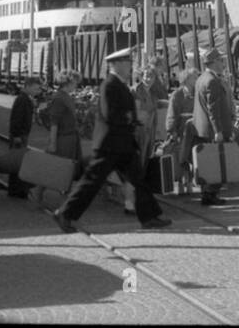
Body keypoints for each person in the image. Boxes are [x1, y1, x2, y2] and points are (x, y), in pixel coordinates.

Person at [52, 48, 171, 233]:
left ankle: (150, 216)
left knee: (138, 179)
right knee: (91, 182)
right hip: (110, 145)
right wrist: (133, 117)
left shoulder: (120, 84)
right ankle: (65, 214)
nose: (130, 66)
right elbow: (110, 114)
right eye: (127, 63)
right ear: (117, 65)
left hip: (122, 144)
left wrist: (133, 119)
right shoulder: (110, 84)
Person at [191, 48, 235, 207]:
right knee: (216, 163)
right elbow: (213, 109)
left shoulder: (201, 78)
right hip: (213, 129)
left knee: (207, 163)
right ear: (214, 62)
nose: (223, 63)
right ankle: (210, 194)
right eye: (221, 60)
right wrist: (218, 131)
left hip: (202, 128)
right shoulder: (212, 81)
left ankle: (207, 193)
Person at [125, 64, 161, 214]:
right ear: (140, 76)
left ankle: (138, 200)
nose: (148, 79)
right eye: (146, 75)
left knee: (143, 167)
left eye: (151, 76)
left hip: (148, 135)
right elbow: (134, 115)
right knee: (134, 168)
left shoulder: (152, 94)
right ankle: (129, 204)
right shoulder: (134, 91)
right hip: (137, 134)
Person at [165, 68, 198, 193]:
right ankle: (180, 183)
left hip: (195, 128)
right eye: (194, 77)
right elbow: (171, 114)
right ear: (187, 79)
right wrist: (171, 130)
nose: (196, 79)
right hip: (181, 129)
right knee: (180, 155)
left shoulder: (197, 93)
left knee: (192, 155)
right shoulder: (177, 95)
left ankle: (190, 181)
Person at [7, 78, 40, 198]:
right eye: (36, 88)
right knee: (18, 162)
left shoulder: (25, 99)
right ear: (28, 86)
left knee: (19, 161)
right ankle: (17, 189)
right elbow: (16, 118)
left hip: (21, 134)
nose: (38, 91)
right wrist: (16, 135)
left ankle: (17, 188)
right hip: (20, 135)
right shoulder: (22, 100)